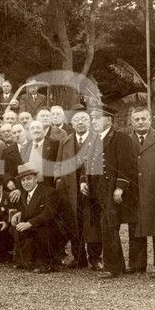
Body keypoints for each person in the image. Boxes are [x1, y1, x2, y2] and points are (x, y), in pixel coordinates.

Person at [81, 104, 136, 279]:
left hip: (111, 189)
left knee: (109, 226)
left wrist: (120, 187)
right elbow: (86, 163)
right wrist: (83, 180)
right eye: (93, 118)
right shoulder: (94, 138)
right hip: (95, 189)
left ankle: (112, 268)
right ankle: (117, 265)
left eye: (97, 118)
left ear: (109, 120)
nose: (93, 121)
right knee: (104, 226)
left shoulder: (120, 138)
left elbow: (126, 165)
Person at [128, 106, 155, 274]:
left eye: (143, 119)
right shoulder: (126, 139)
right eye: (137, 119)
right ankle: (137, 265)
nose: (140, 122)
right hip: (134, 191)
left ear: (150, 120)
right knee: (135, 227)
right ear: (131, 122)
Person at [54, 109, 96, 269]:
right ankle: (79, 258)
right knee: (73, 221)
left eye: (84, 119)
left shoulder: (96, 139)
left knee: (91, 222)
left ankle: (95, 257)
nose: (80, 122)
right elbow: (58, 163)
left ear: (89, 122)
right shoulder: (65, 141)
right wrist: (58, 178)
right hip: (69, 188)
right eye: (77, 120)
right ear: (72, 124)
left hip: (90, 187)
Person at [11, 164, 61, 273]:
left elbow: (49, 214)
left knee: (41, 230)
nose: (26, 182)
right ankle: (24, 260)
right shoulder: (24, 193)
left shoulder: (48, 192)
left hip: (50, 229)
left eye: (29, 178)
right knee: (17, 227)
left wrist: (29, 223)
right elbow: (28, 209)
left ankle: (46, 263)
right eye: (23, 180)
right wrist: (19, 213)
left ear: (36, 178)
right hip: (35, 226)